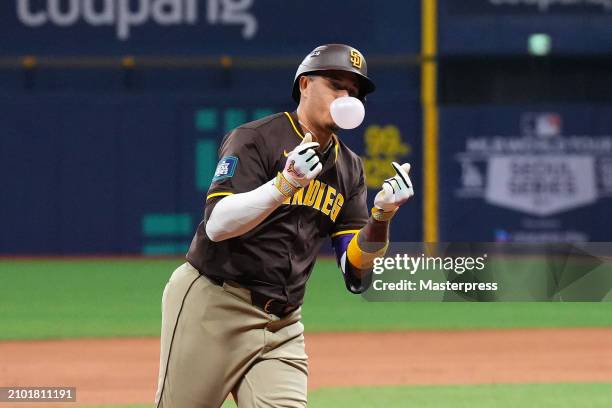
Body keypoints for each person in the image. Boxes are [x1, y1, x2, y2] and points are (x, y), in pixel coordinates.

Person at [155, 43, 414, 408]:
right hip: (214, 304)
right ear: (305, 84)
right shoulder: (257, 138)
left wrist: (381, 217)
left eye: (355, 91)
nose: (347, 97)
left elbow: (355, 270)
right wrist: (283, 186)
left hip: (282, 324)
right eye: (336, 85)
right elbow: (217, 224)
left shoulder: (349, 168)